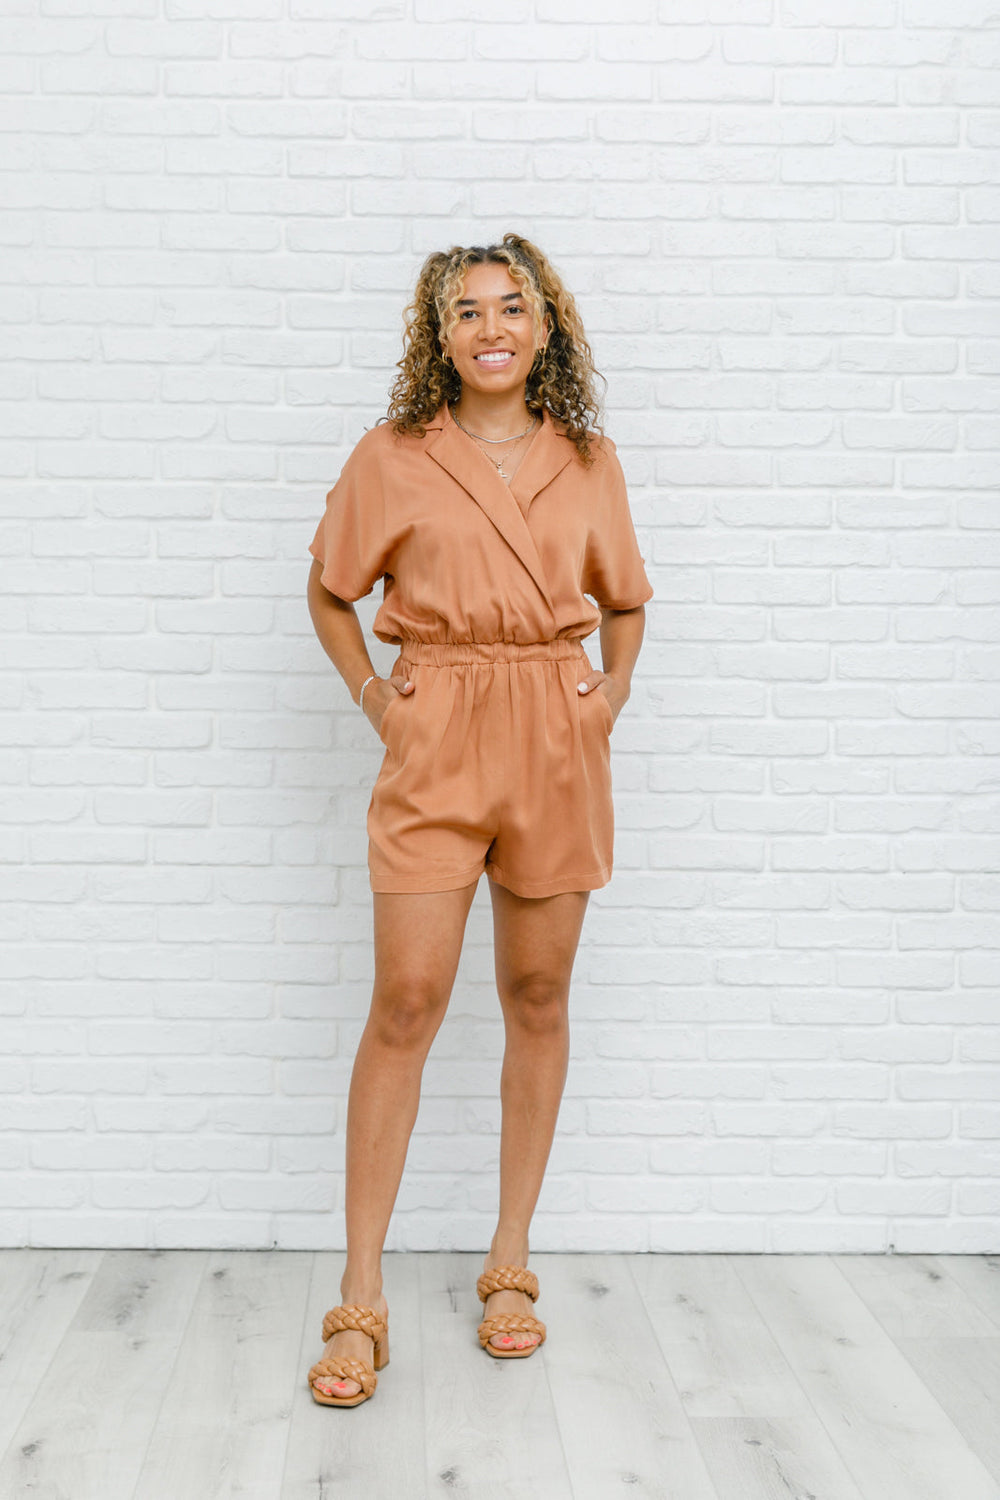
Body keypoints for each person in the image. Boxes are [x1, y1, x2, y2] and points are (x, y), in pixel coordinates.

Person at [304, 232, 652, 1407]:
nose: (490, 327)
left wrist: (606, 698)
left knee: (538, 996)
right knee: (406, 1001)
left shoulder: (588, 460)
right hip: (437, 727)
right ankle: (359, 1294)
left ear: (544, 328)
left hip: (554, 734)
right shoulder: (392, 455)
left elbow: (625, 601)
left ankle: (509, 1263)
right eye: (466, 311)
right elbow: (331, 588)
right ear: (438, 335)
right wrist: (375, 697)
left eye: (511, 307)